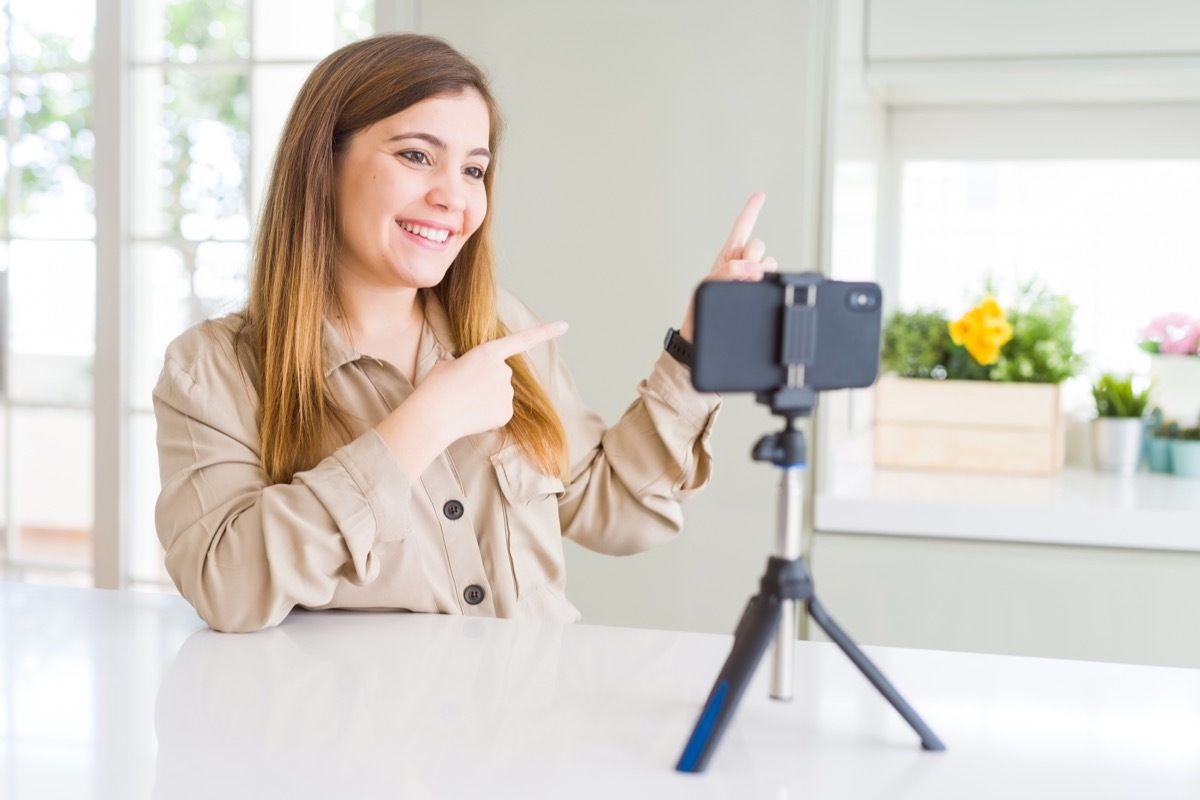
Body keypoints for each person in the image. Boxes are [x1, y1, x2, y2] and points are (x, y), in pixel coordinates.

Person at [153, 33, 776, 633]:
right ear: (324, 163)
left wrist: (698, 347)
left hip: (532, 722)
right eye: (416, 156)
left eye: (474, 170)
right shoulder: (212, 369)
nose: (454, 197)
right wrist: (422, 424)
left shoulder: (502, 328)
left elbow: (616, 509)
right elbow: (225, 587)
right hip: (363, 738)